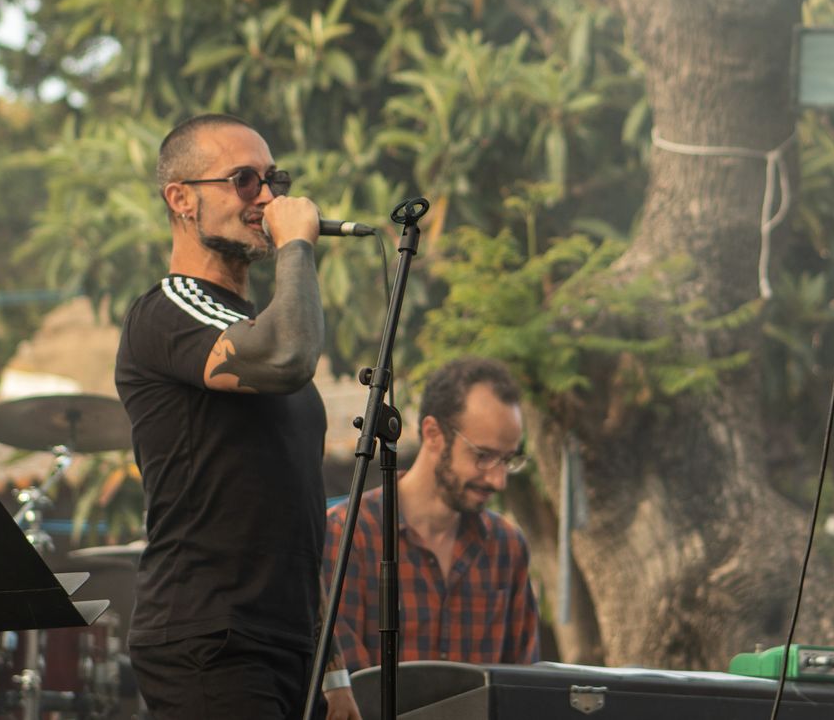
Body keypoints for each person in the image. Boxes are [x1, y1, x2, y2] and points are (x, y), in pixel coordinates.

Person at [114, 113, 357, 719]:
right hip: (211, 640)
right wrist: (296, 245)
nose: (269, 197)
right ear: (181, 200)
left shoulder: (259, 331)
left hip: (290, 646)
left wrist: (333, 671)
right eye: (244, 180)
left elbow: (294, 516)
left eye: (274, 179)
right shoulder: (168, 311)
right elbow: (287, 354)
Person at [320, 356, 541, 689]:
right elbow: (349, 692)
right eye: (483, 456)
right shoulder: (348, 533)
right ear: (433, 433)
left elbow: (524, 688)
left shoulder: (507, 546)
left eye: (507, 460)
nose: (498, 480)